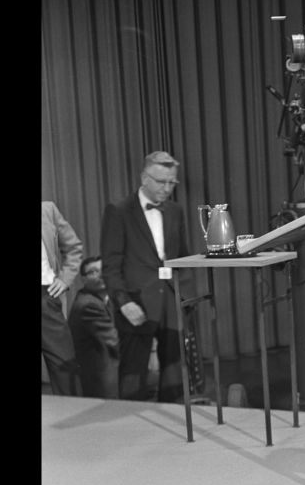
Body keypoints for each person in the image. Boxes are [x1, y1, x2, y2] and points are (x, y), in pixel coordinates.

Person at [100, 151, 193, 402]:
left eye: (172, 182)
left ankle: (174, 427)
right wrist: (124, 302)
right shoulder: (119, 211)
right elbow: (110, 265)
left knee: (174, 372)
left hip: (170, 302)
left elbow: (181, 256)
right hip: (136, 302)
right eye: (161, 182)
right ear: (144, 178)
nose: (167, 188)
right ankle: (132, 430)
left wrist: (182, 293)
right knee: (133, 374)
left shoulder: (175, 210)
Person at [42, 200, 84, 396]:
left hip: (47, 297)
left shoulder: (47, 210)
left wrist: (65, 279)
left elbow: (74, 247)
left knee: (64, 366)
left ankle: (71, 418)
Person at [68, 256, 120, 398]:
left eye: (103, 270)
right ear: (83, 279)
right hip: (101, 381)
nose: (101, 274)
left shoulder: (103, 299)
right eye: (93, 272)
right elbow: (114, 341)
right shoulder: (88, 305)